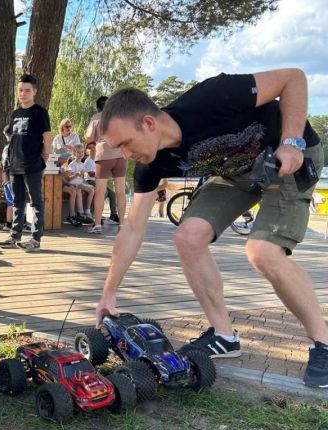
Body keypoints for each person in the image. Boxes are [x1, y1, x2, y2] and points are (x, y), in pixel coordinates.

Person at [96, 68, 328, 388]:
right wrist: (109, 293)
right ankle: (224, 335)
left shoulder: (213, 96)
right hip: (237, 174)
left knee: (262, 251)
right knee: (187, 236)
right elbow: (132, 228)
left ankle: (324, 342)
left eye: (125, 143)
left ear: (148, 124)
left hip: (287, 158)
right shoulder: (151, 163)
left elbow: (294, 78)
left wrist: (291, 142)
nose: (125, 155)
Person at [0, 73, 51, 252]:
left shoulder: (40, 112)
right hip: (15, 164)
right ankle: (14, 236)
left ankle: (35, 238)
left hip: (32, 164)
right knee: (17, 201)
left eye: (27, 90)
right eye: (20, 90)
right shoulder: (15, 113)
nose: (23, 94)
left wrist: (45, 155)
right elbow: (13, 138)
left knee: (35, 201)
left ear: (34, 91)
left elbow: (47, 137)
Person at [85, 95, 128, 233]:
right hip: (120, 155)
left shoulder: (96, 117)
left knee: (100, 192)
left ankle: (97, 225)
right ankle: (122, 224)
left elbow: (88, 137)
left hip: (103, 155)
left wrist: (92, 144)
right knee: (120, 192)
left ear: (98, 107)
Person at [64, 143, 95, 224]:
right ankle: (86, 211)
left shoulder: (82, 164)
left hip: (80, 183)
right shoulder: (72, 164)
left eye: (82, 152)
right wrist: (77, 174)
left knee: (91, 189)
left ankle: (82, 213)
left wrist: (85, 182)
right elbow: (69, 179)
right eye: (78, 152)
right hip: (75, 183)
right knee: (89, 190)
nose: (80, 154)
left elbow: (82, 178)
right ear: (74, 153)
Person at [1, 125, 14, 231]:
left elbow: (4, 165)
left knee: (11, 201)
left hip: (6, 178)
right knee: (16, 201)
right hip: (12, 177)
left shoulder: (6, 148)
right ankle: (19, 223)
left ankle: (8, 224)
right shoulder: (14, 146)